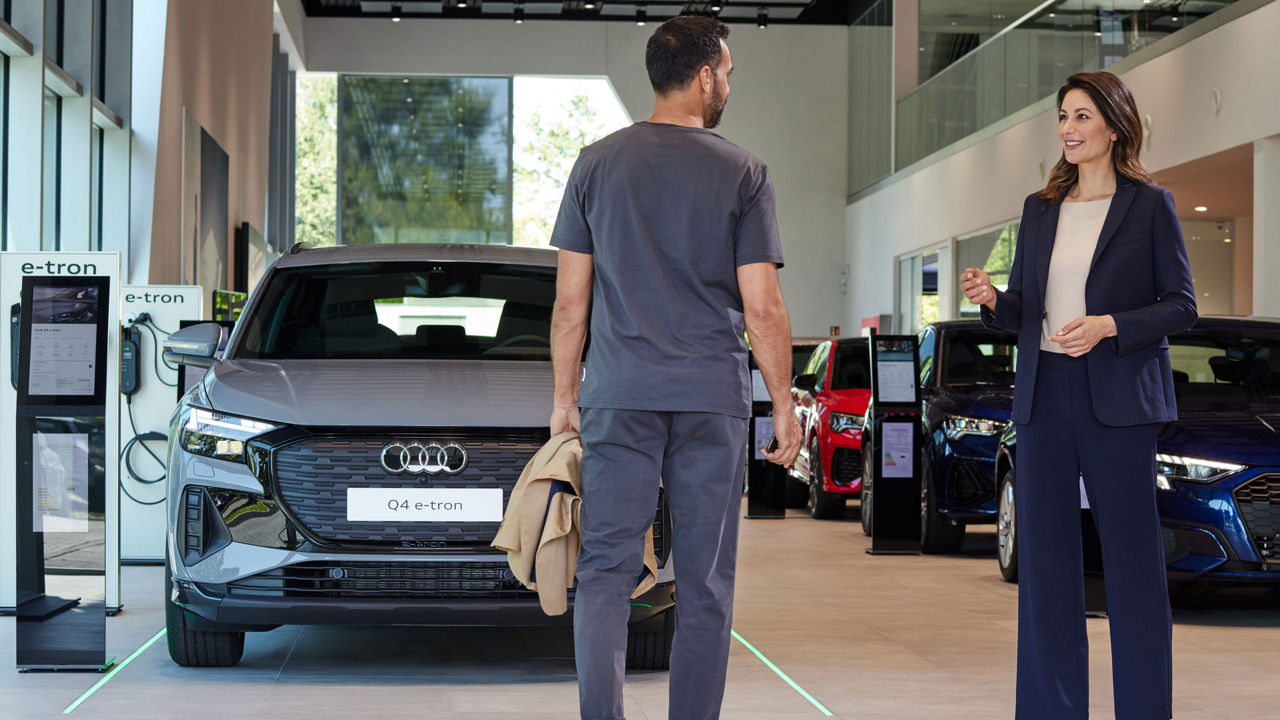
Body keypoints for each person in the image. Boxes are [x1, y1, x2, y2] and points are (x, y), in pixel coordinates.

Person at [548, 14, 802, 720]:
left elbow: (571, 304)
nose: (729, 82)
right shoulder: (743, 172)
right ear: (704, 76)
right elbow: (765, 307)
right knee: (706, 580)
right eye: (728, 70)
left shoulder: (594, 164)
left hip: (619, 394)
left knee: (603, 571)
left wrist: (565, 399)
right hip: (708, 398)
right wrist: (783, 402)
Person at [961, 71, 1196, 719]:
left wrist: (1110, 326)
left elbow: (1181, 306)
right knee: (1045, 568)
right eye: (1063, 115)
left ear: (1115, 125)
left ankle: (1144, 710)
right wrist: (991, 301)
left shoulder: (1151, 207)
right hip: (1045, 397)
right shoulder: (1041, 209)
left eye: (1082, 115)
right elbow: (1025, 310)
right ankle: (1049, 709)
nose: (1068, 127)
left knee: (1133, 567)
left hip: (1118, 400)